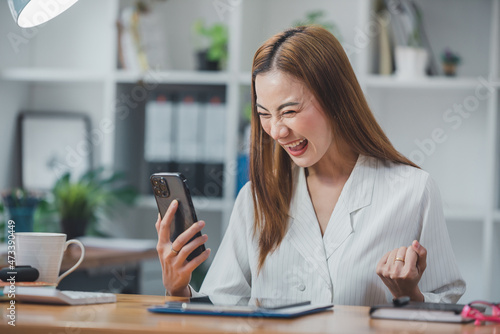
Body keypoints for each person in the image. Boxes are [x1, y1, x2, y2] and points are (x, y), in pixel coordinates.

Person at [155, 25, 465, 306]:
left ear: (335, 99)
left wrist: (411, 296)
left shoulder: (412, 191)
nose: (276, 131)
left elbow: (448, 306)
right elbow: (223, 308)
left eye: (289, 111)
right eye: (264, 113)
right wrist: (178, 290)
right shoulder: (255, 198)